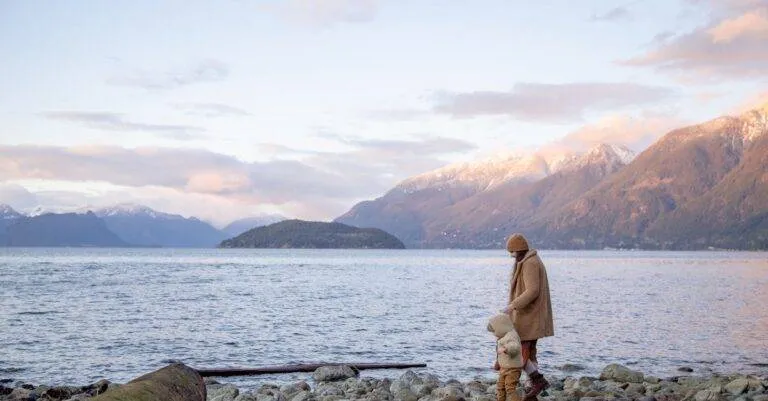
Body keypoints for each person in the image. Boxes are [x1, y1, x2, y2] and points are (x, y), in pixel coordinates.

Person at [502, 233, 554, 401]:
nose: (511, 256)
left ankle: (538, 381)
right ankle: (532, 388)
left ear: (519, 250)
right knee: (530, 352)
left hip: (529, 315)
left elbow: (532, 291)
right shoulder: (529, 260)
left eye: (512, 252)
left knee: (519, 353)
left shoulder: (530, 263)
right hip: (531, 315)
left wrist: (512, 305)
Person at [488, 313, 524, 401]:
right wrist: (497, 363)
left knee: (510, 388)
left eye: (495, 331)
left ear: (501, 327)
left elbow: (515, 347)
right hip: (504, 368)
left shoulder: (512, 335)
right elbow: (499, 354)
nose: (494, 334)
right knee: (500, 387)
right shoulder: (503, 336)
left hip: (513, 368)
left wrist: (505, 349)